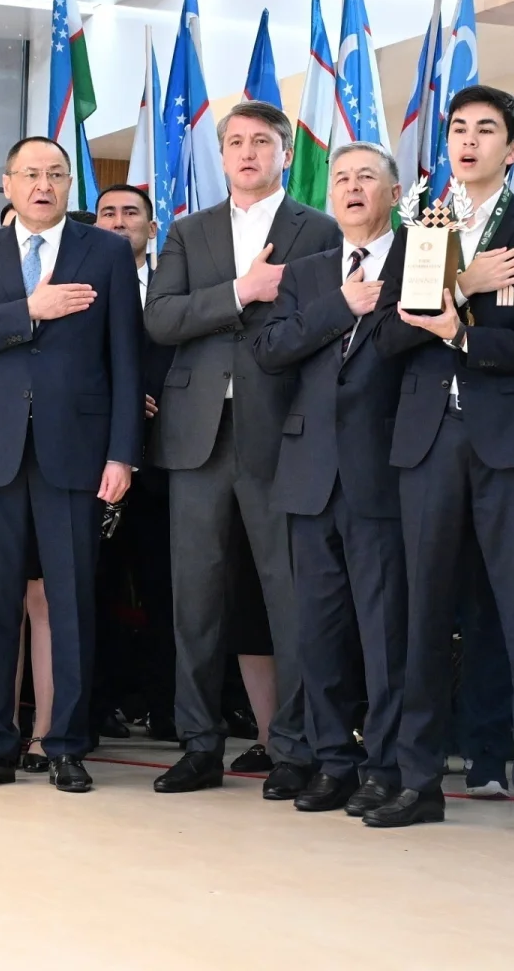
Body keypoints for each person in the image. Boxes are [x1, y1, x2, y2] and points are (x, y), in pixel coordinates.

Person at [367, 84, 514, 837]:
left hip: (509, 441)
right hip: (427, 440)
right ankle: (417, 780)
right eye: (458, 128)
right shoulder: (422, 222)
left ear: (513, 150)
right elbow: (386, 336)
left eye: (485, 130)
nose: (467, 140)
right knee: (422, 615)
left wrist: (463, 334)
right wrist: (461, 284)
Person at [143, 100, 340, 798]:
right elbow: (160, 317)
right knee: (195, 599)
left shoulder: (319, 229)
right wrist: (240, 291)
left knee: (290, 597)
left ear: (286, 153)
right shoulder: (188, 229)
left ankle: (294, 746)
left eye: (262, 141)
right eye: (236, 142)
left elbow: (324, 322)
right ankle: (198, 744)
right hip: (198, 434)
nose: (248, 152)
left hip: (281, 432)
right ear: (221, 154)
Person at [0, 136, 140, 793]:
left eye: (55, 174)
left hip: (76, 451)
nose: (43, 184)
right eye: (30, 174)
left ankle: (67, 745)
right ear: (8, 183)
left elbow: (126, 357)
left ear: (68, 183)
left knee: (72, 600)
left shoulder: (104, 252)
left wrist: (123, 453)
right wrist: (27, 309)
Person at [250, 141, 409, 815]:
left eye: (366, 177)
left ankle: (386, 764)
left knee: (384, 630)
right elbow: (270, 349)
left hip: (386, 468)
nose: (352, 187)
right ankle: (331, 759)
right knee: (316, 630)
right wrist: (341, 304)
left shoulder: (421, 258)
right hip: (309, 471)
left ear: (393, 193)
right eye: (341, 178)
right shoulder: (308, 273)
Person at [93, 183, 177, 740]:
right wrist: (117, 403)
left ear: (152, 227)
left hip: (167, 459)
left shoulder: (174, 284)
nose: (119, 222)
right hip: (98, 460)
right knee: (95, 588)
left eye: (131, 213)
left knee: (166, 589)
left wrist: (157, 400)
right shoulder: (78, 282)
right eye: (108, 213)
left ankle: (169, 709)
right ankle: (97, 708)